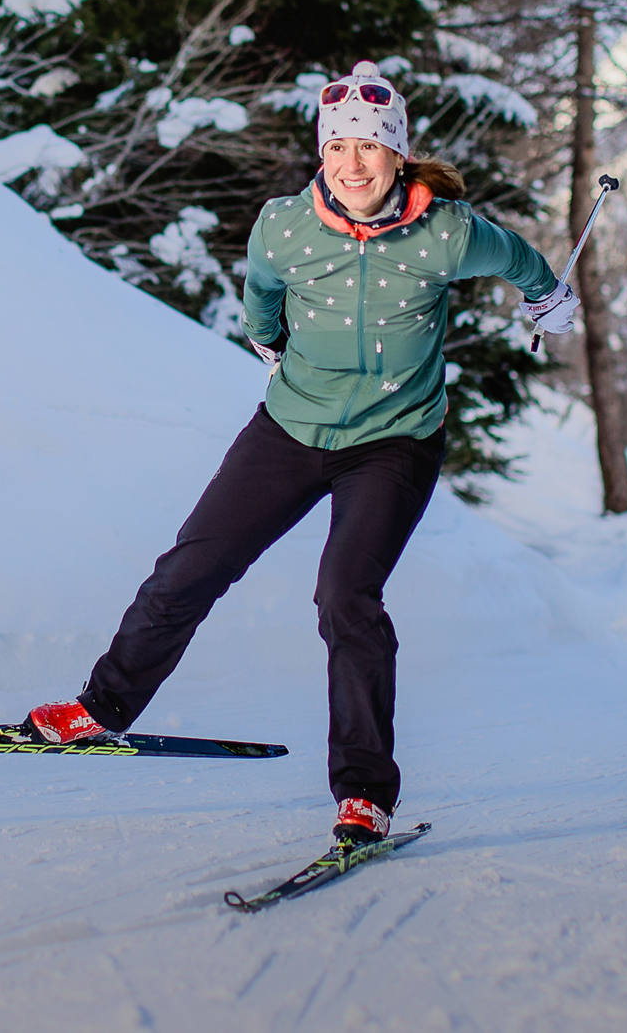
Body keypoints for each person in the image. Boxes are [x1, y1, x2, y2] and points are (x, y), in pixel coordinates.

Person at [29, 60, 579, 843]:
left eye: (369, 148)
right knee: (191, 565)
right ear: (322, 156)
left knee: (344, 598)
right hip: (290, 428)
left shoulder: (447, 236)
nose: (352, 164)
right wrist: (268, 343)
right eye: (337, 149)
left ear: (397, 156)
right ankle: (99, 709)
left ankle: (364, 793)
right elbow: (261, 298)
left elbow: (521, 260)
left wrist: (550, 300)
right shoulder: (283, 226)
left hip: (394, 441)